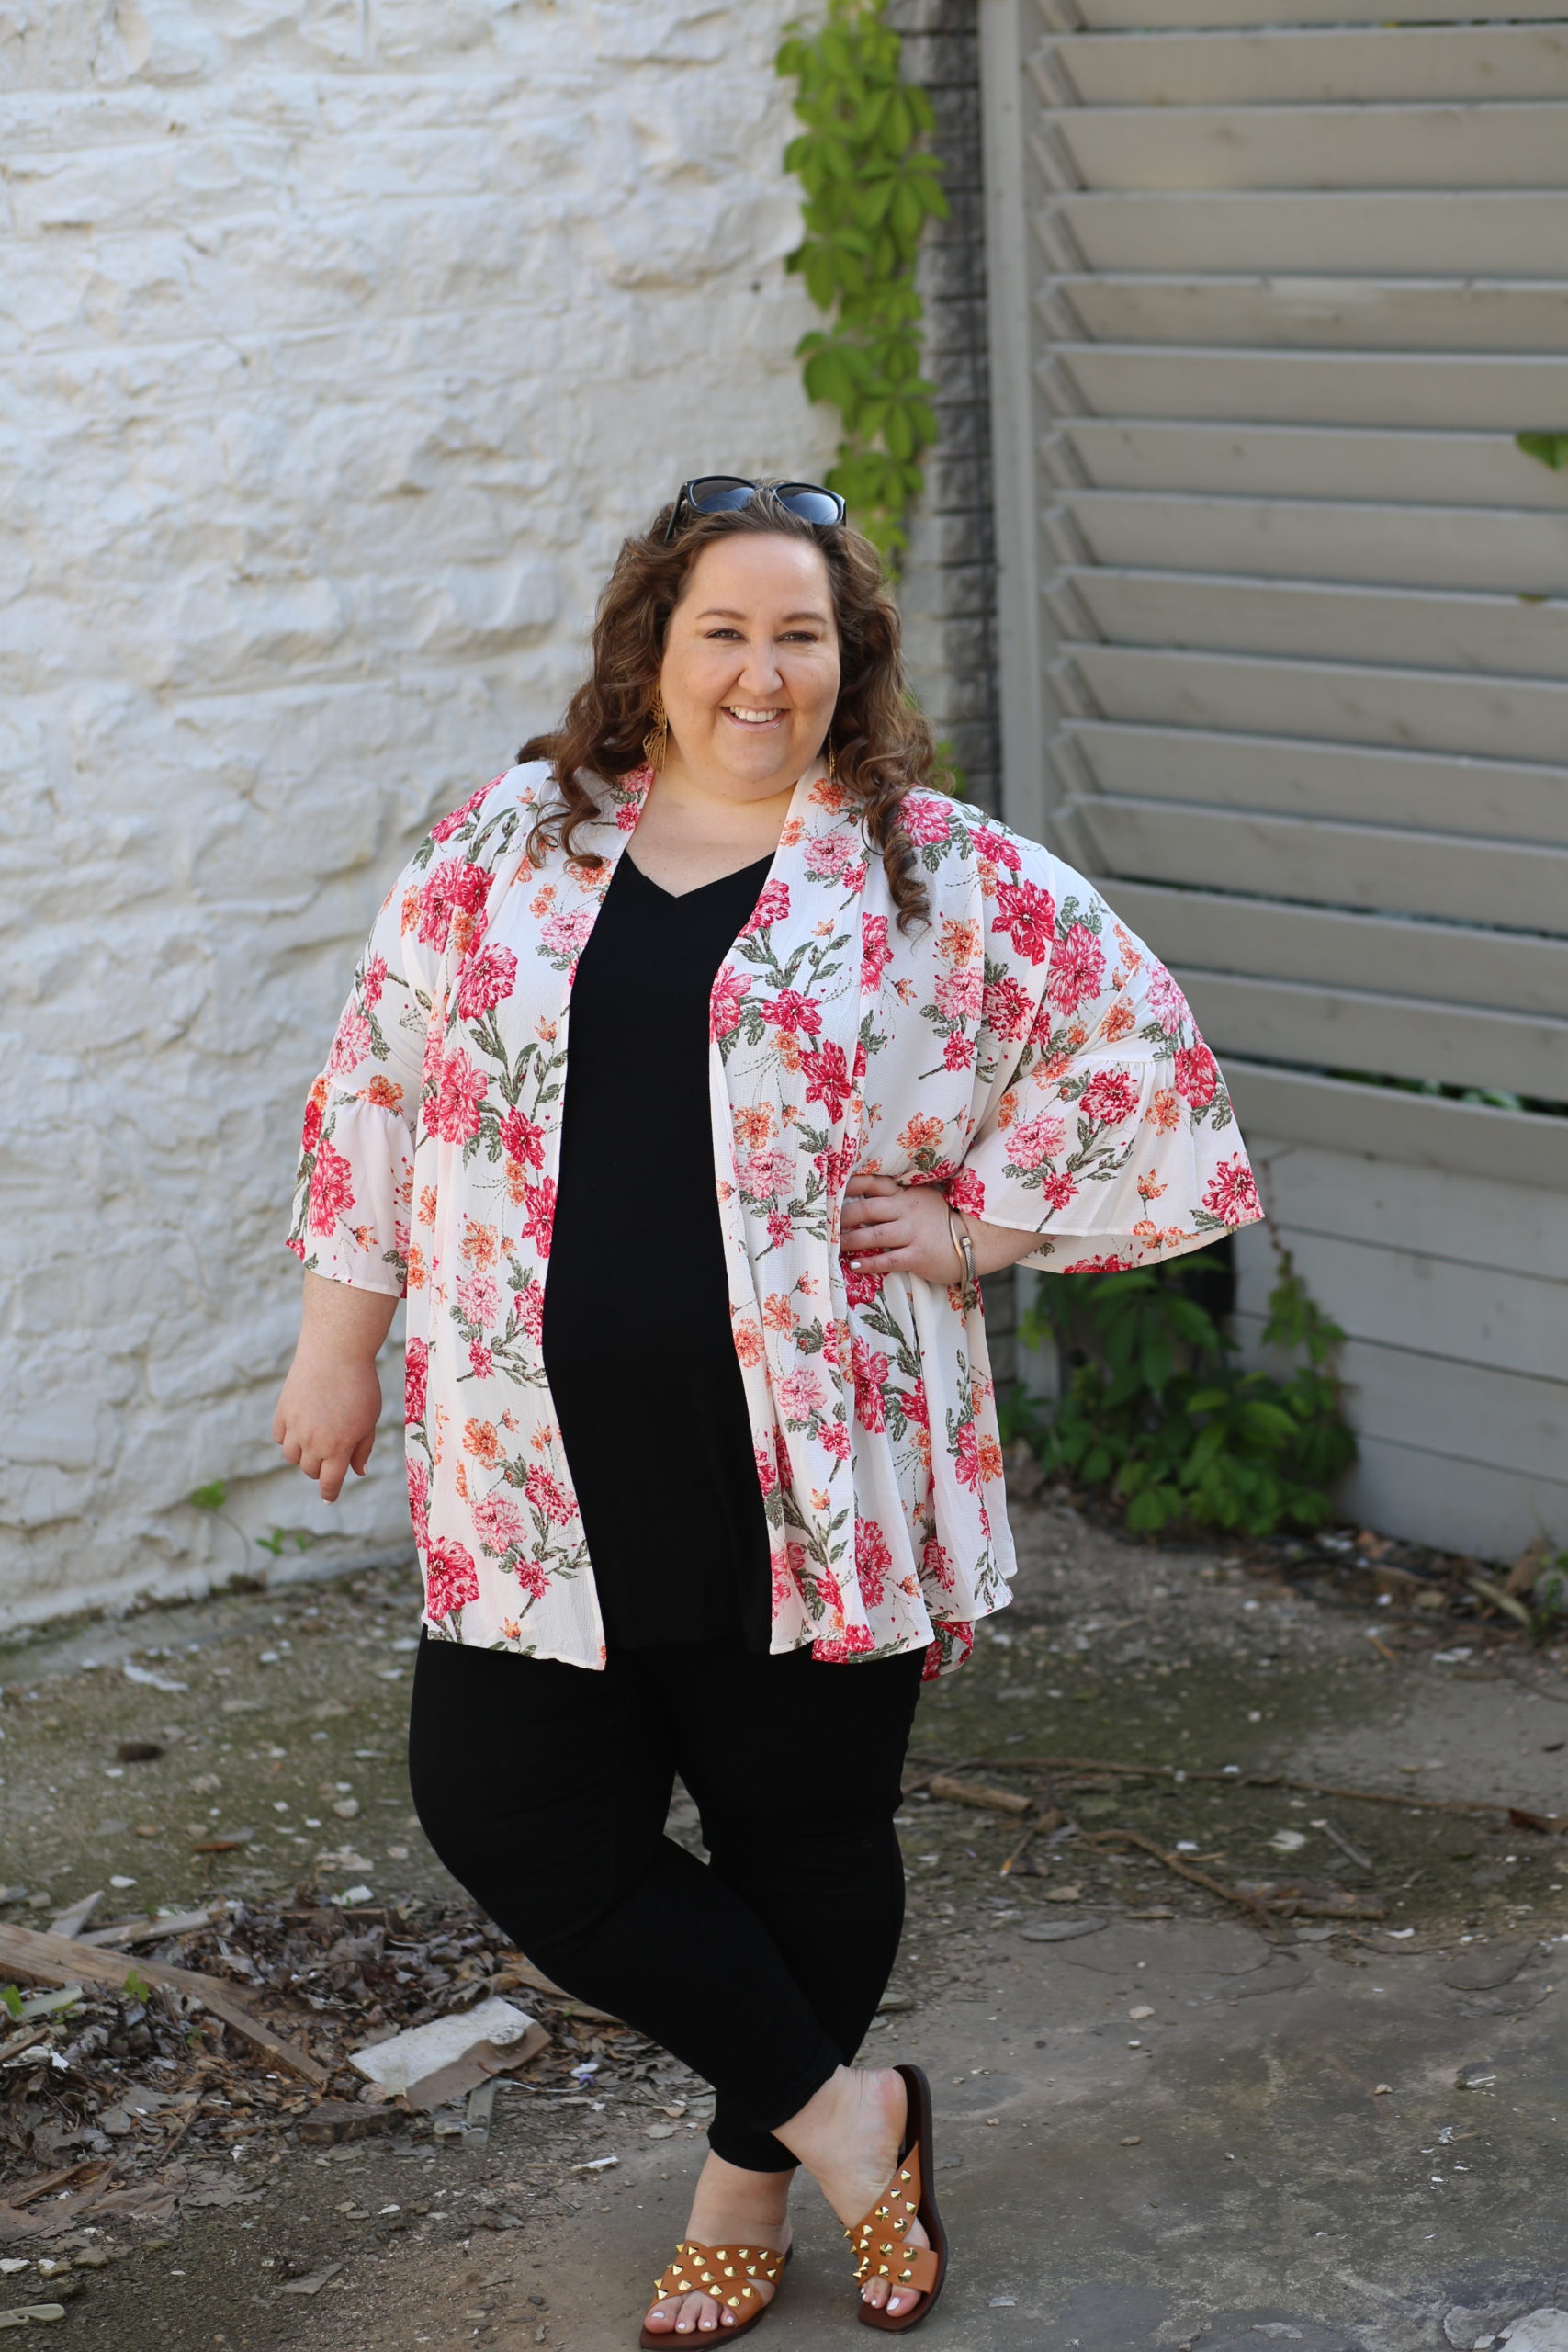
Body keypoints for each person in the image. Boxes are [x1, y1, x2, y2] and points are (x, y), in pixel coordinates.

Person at [272, 476, 1261, 2339]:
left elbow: (1143, 1058)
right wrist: (337, 1339)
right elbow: (378, 1083)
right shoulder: (510, 836)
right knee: (507, 1810)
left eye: (796, 633)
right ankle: (849, 2117)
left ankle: (742, 2177)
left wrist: (980, 1225)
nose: (756, 670)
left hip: (821, 1452)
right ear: (647, 647)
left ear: (846, 656)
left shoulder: (926, 869)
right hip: (528, 1449)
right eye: (720, 629)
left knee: (802, 1823)